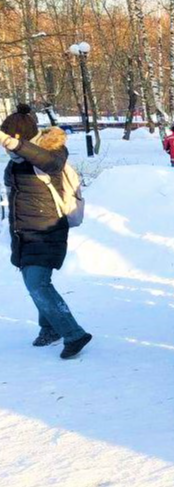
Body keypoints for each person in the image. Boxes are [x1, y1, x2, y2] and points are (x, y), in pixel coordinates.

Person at [0, 106, 92, 359]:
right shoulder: (16, 162)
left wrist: (14, 144)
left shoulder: (51, 153)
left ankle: (73, 334)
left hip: (47, 230)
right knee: (36, 282)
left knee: (37, 283)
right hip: (24, 233)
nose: (7, 148)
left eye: (10, 142)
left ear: (21, 139)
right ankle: (49, 328)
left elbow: (48, 161)